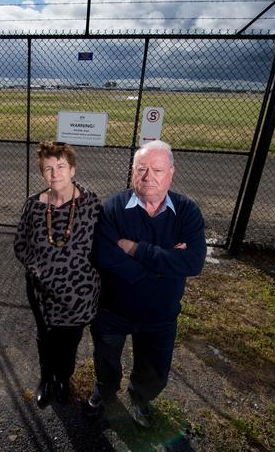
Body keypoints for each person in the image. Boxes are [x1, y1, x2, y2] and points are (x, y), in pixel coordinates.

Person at [86, 140, 206, 427]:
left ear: (171, 174)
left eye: (157, 170)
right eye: (141, 169)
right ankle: (105, 394)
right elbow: (105, 257)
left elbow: (193, 263)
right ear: (132, 171)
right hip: (113, 310)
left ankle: (141, 398)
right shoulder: (112, 208)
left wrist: (137, 250)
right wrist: (164, 269)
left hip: (160, 315)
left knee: (154, 369)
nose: (148, 176)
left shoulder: (187, 211)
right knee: (106, 360)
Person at [14, 140, 101, 407]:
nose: (55, 173)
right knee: (45, 338)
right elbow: (20, 244)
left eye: (61, 166)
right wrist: (38, 270)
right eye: (49, 168)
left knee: (70, 341)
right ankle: (46, 378)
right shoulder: (33, 205)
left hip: (79, 294)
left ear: (72, 170)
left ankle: (64, 377)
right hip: (42, 294)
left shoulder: (92, 204)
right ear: (42, 173)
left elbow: (103, 248)